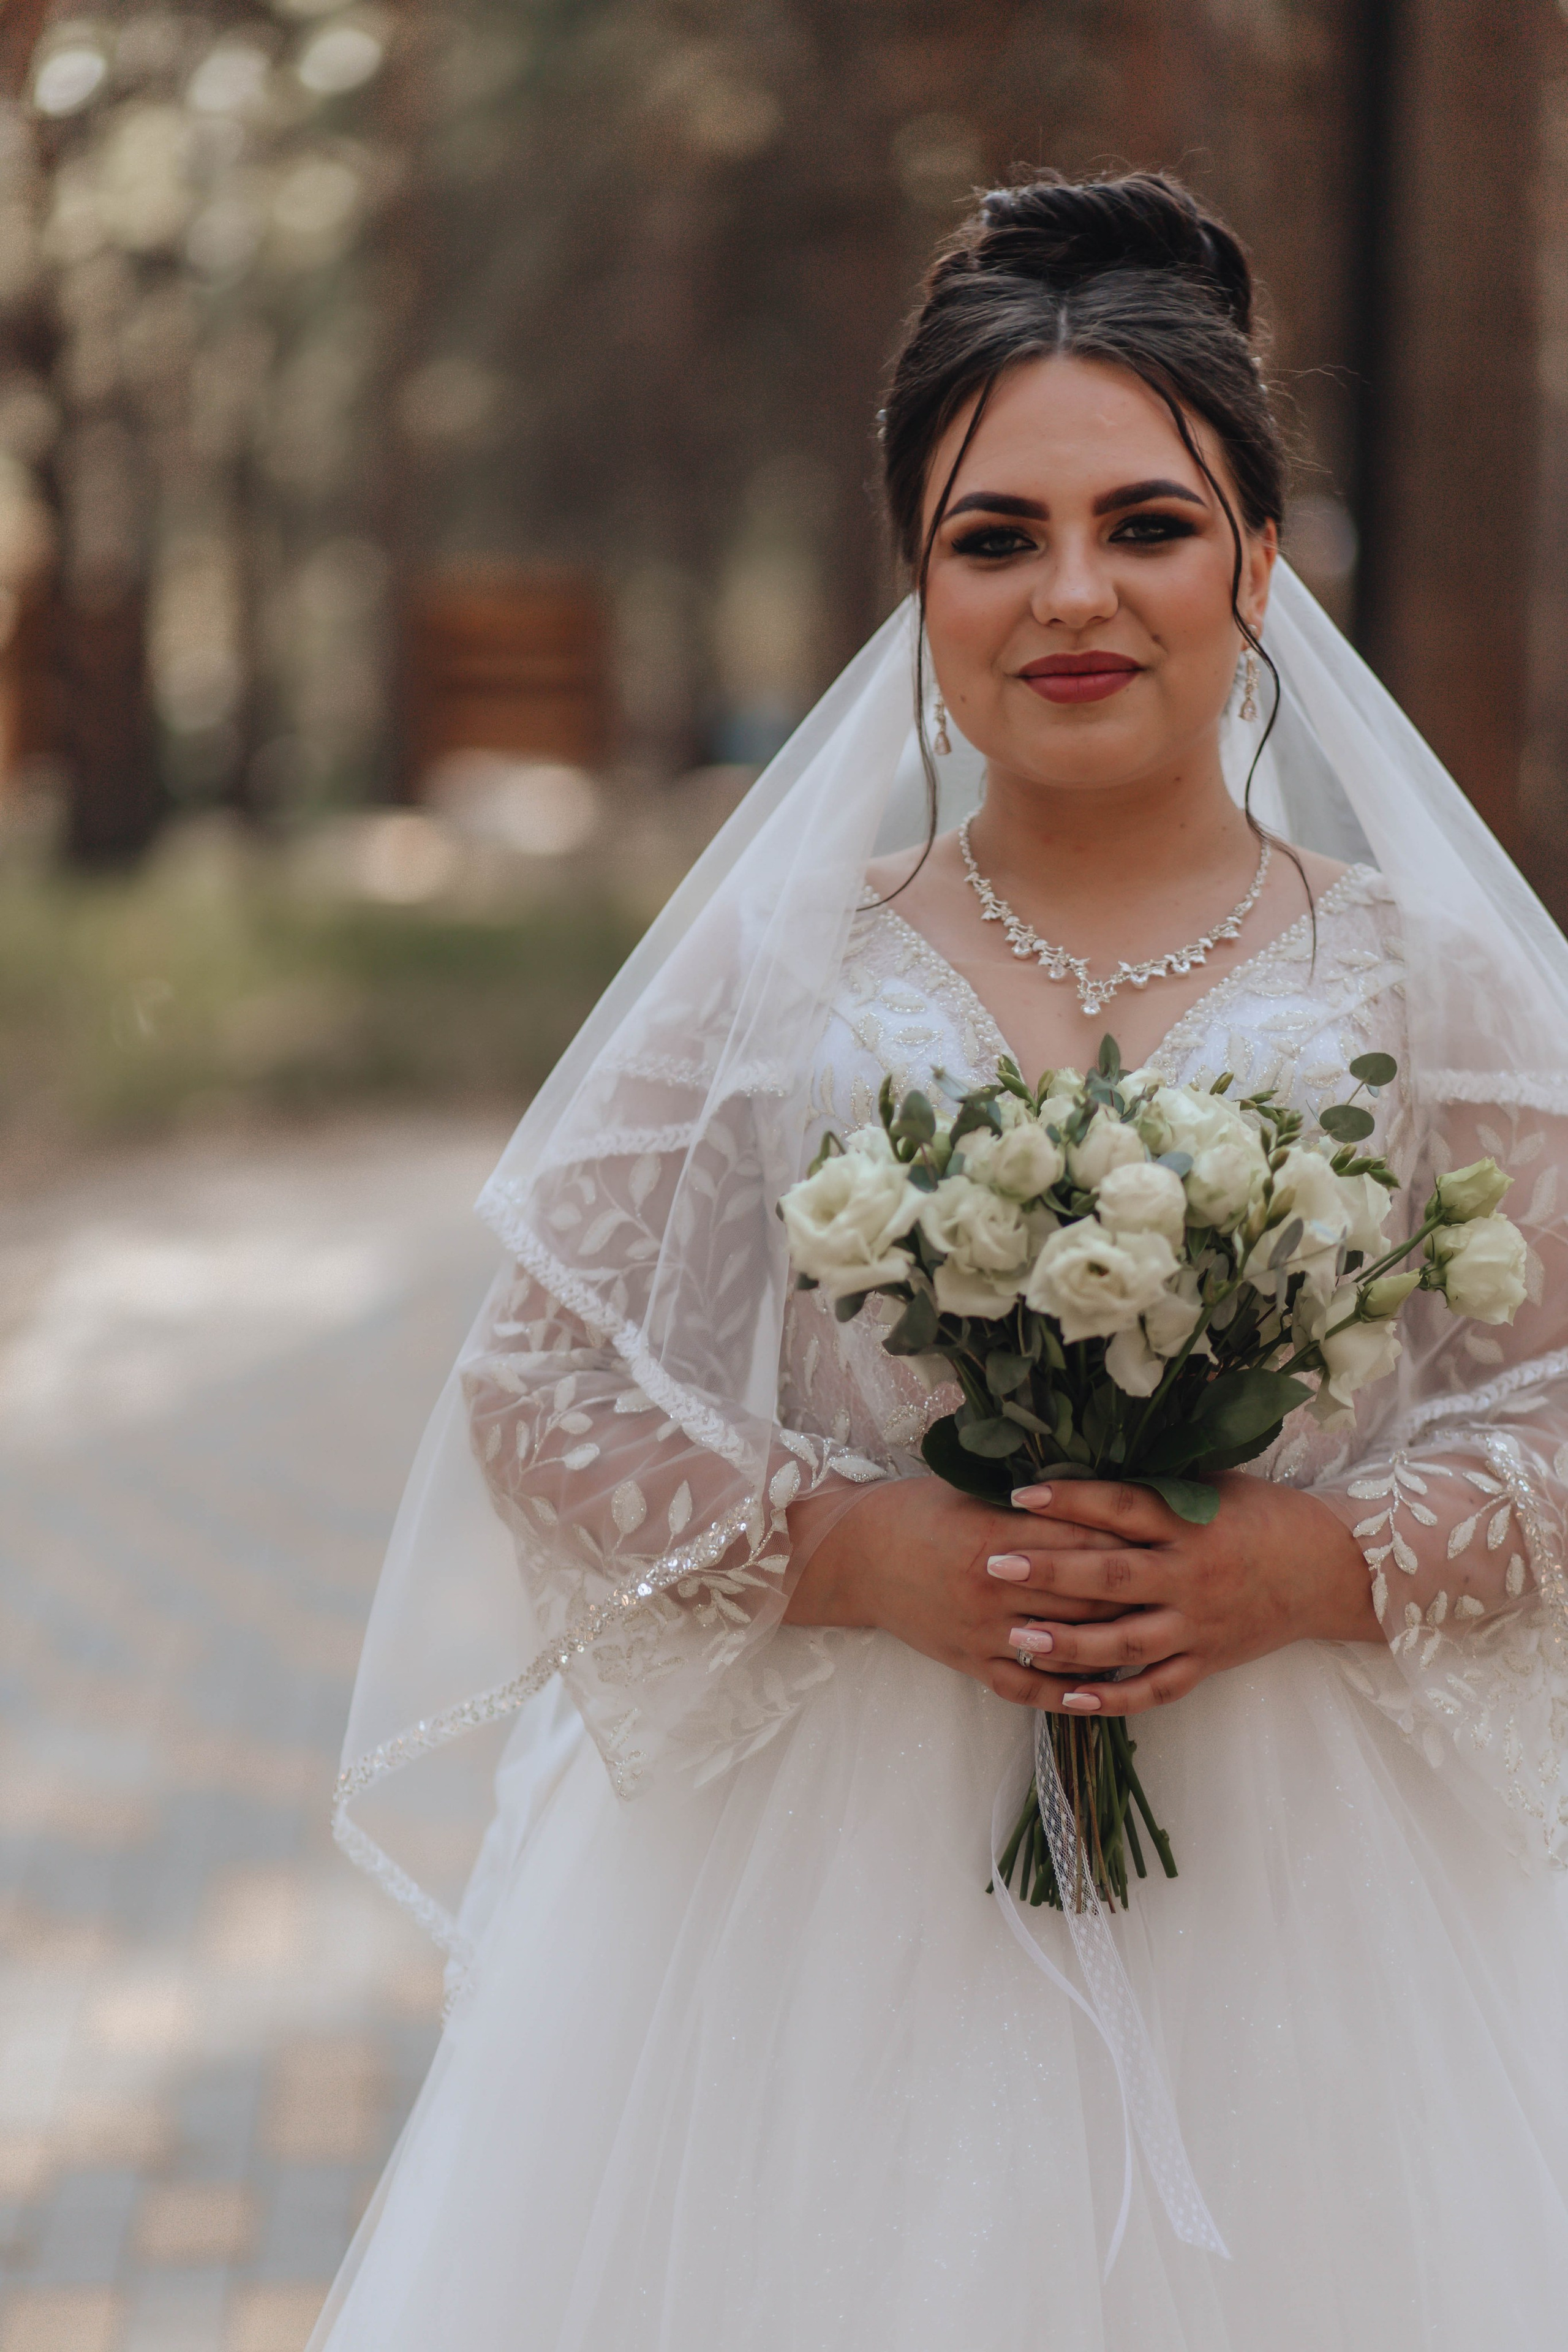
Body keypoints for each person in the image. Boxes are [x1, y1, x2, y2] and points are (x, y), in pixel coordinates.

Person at [312, 174, 1568, 2350]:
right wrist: (850, 1548)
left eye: (1148, 525)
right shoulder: (771, 975)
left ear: (1261, 565)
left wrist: (1323, 1562)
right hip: (828, 1921)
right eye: (997, 537)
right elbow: (542, 1391)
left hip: (1325, 1915)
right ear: (919, 586)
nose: (1074, 593)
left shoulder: (1430, 984)